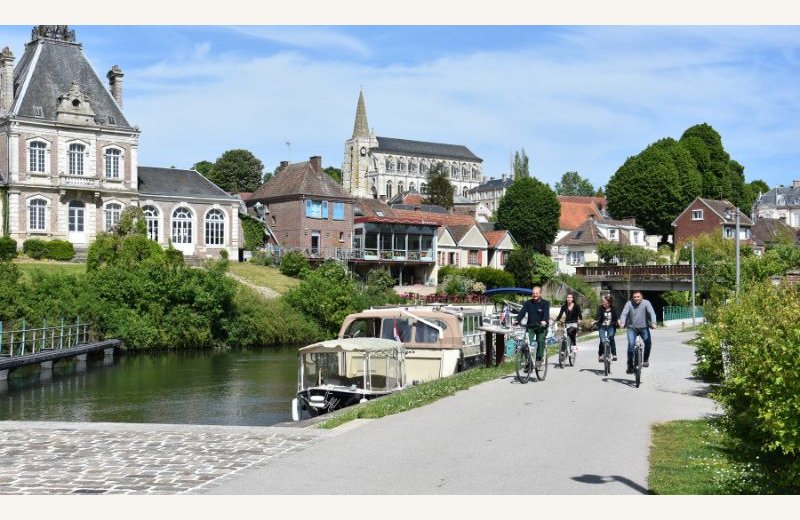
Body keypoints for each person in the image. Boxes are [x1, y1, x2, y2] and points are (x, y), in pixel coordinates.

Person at [618, 290, 657, 374]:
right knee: (631, 344)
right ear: (632, 298)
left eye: (638, 297)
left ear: (641, 297)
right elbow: (624, 313)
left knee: (648, 343)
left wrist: (654, 322)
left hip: (644, 328)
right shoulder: (629, 303)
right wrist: (622, 322)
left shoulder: (646, 303)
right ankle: (630, 365)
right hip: (632, 328)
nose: (636, 299)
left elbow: (652, 313)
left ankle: (645, 359)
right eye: (634, 297)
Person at [513, 285, 550, 366]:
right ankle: (529, 362)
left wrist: (544, 321)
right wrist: (517, 320)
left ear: (540, 293)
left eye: (537, 293)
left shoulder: (545, 303)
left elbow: (546, 315)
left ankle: (539, 359)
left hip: (541, 327)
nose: (535, 295)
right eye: (533, 293)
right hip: (530, 327)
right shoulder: (528, 303)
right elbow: (522, 312)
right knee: (525, 344)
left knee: (540, 340)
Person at [594, 294, 618, 362]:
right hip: (602, 326)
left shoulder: (614, 308)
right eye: (603, 301)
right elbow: (598, 315)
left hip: (611, 326)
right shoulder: (600, 308)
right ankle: (601, 354)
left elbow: (616, 317)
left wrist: (618, 322)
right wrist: (595, 320)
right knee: (602, 341)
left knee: (611, 338)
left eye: (605, 302)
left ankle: (614, 354)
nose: (603, 303)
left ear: (609, 303)